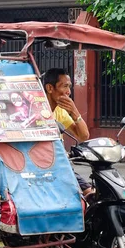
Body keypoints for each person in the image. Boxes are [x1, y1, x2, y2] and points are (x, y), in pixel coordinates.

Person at [43, 68, 93, 196]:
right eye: (64, 86)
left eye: (69, 87)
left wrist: (75, 112)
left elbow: (83, 135)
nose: (68, 92)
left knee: (90, 194)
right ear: (50, 88)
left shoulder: (60, 111)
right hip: (44, 167)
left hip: (61, 165)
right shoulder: (37, 110)